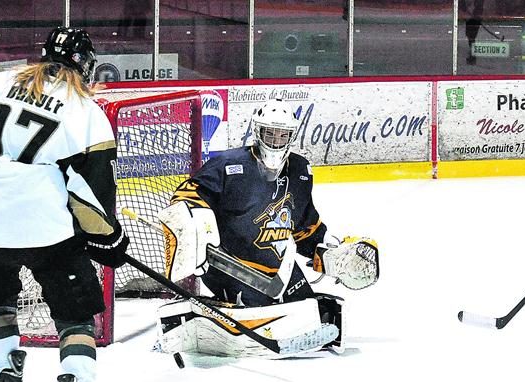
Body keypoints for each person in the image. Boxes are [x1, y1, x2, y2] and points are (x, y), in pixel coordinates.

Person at [0, 27, 129, 382]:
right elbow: (92, 197)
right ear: (86, 65)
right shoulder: (85, 111)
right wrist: (110, 242)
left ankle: (4, 368)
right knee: (75, 314)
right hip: (48, 235)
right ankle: (77, 374)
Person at [152, 98, 379, 358]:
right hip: (229, 264)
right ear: (257, 132)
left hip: (278, 268)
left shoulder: (300, 170)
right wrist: (198, 226)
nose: (275, 140)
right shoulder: (228, 164)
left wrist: (325, 250)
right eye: (269, 133)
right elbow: (187, 196)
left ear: (291, 136)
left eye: (282, 134)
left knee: (308, 308)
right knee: (266, 309)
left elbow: (304, 225)